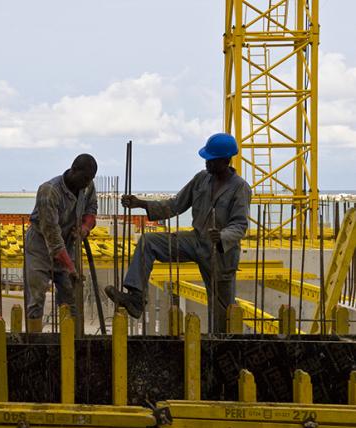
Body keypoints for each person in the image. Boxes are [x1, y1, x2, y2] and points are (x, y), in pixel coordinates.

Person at [105, 133, 251, 333]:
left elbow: (240, 225)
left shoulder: (240, 188)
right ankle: (136, 298)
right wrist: (142, 204)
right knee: (149, 242)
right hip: (196, 240)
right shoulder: (201, 179)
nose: (206, 162)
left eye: (211, 159)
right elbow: (176, 204)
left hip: (220, 252)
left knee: (222, 308)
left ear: (225, 160)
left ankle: (220, 344)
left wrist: (222, 236)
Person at [24, 154, 98, 333]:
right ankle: (34, 346)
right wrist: (71, 268)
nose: (87, 184)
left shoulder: (87, 187)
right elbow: (53, 240)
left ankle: (70, 346)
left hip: (68, 243)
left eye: (90, 180)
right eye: (85, 179)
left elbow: (91, 210)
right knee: (35, 299)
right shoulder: (49, 192)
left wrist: (85, 228)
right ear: (73, 170)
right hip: (40, 246)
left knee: (70, 298)